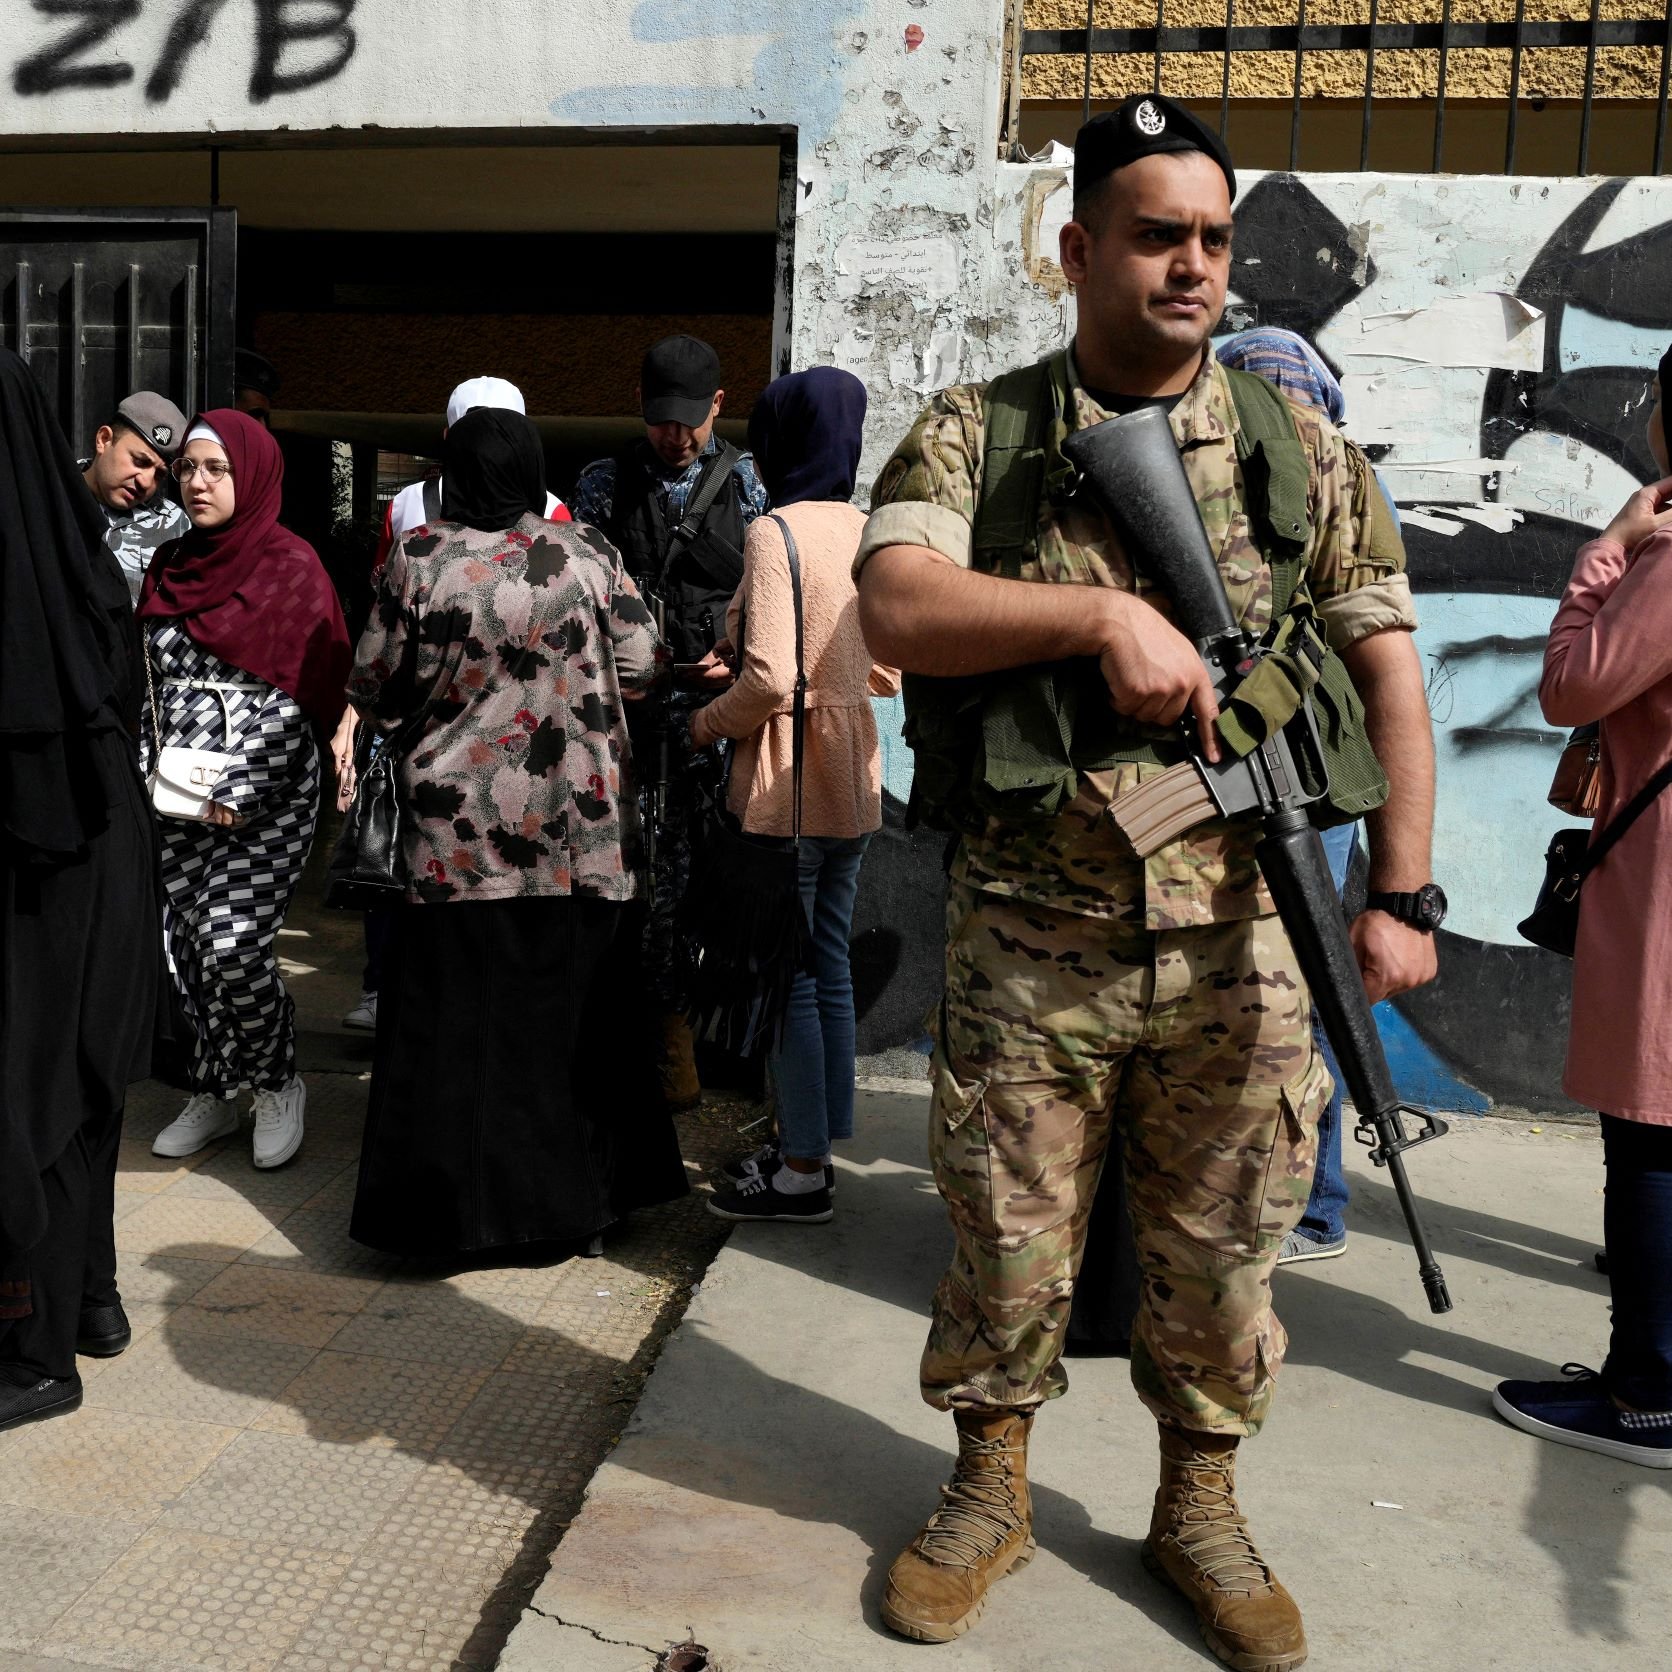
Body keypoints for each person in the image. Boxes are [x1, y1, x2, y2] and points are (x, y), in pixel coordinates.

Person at [855, 94, 1439, 1664]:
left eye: (1213, 238)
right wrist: (1093, 623)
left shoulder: (1296, 451)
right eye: (1156, 234)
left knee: (1226, 1240)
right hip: (1032, 940)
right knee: (1003, 1225)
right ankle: (989, 1490)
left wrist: (1404, 896)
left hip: (1246, 941)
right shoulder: (978, 434)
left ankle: (1199, 1506)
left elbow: (1388, 663)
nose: (1192, 267)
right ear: (1077, 250)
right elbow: (898, 608)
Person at [345, 408, 687, 1256]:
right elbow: (646, 666)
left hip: (456, 842)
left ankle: (449, 1226)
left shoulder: (421, 559)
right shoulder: (590, 554)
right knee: (574, 1029)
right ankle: (579, 1213)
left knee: (456, 1036)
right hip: (580, 838)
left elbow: (375, 683)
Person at [1493, 356, 1672, 1469]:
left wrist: (1605, 549)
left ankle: (1645, 1392)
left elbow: (1571, 683)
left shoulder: (1665, 562)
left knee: (1646, 1132)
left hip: (1659, 881)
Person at [1215, 326, 1408, 1267]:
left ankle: (1314, 1203)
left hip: (1309, 781)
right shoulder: (1338, 486)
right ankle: (1291, 1198)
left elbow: (1385, 668)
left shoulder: (1335, 492)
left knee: (1306, 988)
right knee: (1292, 991)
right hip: (1274, 776)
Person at [692, 368, 899, 1225]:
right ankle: (816, 1135)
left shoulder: (774, 532)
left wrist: (706, 722)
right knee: (830, 964)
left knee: (796, 978)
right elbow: (887, 668)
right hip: (852, 775)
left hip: (788, 783)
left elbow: (771, 676)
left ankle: (803, 1168)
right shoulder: (872, 532)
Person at [1, 348, 160, 1429]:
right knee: (76, 1090)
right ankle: (88, 1301)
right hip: (100, 854)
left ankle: (33, 1350)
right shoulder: (78, 561)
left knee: (36, 1102)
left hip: (49, 869)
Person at [142, 411, 351, 1172]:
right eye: (188, 468)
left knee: (233, 944)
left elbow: (306, 695)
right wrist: (147, 773)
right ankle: (214, 1084)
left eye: (215, 469)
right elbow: (151, 691)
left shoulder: (291, 569)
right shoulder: (170, 565)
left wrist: (244, 788)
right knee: (182, 954)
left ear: (253, 475)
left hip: (260, 797)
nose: (196, 482)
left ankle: (276, 1079)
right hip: (174, 793)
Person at [335, 375, 570, 1033]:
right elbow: (383, 614)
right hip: (434, 720)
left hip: (503, 727)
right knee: (401, 861)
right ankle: (387, 984)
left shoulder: (555, 517)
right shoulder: (408, 505)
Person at [571, 334, 769, 1113]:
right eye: (660, 420)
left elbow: (773, 596)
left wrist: (740, 656)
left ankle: (707, 1050)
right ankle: (648, 1053)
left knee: (708, 886)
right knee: (632, 890)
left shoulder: (748, 485)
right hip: (622, 722)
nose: (674, 436)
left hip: (715, 723)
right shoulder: (601, 485)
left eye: (689, 421)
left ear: (719, 406)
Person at [79, 391, 192, 606]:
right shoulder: (53, 497)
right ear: (104, 439)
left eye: (159, 474)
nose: (146, 482)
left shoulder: (172, 524)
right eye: (140, 461)